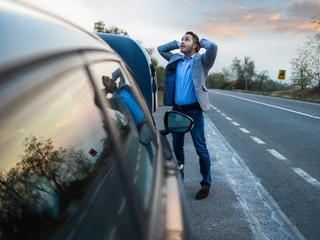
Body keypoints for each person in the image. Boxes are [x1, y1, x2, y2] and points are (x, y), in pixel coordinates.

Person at [157, 31, 218, 199]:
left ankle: (206, 184)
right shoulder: (175, 59)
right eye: (182, 39)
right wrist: (177, 43)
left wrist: (200, 42)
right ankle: (179, 181)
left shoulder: (202, 61)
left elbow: (212, 47)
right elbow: (160, 49)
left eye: (187, 40)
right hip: (177, 110)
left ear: (195, 45)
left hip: (194, 111)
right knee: (177, 147)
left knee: (200, 148)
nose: (183, 42)